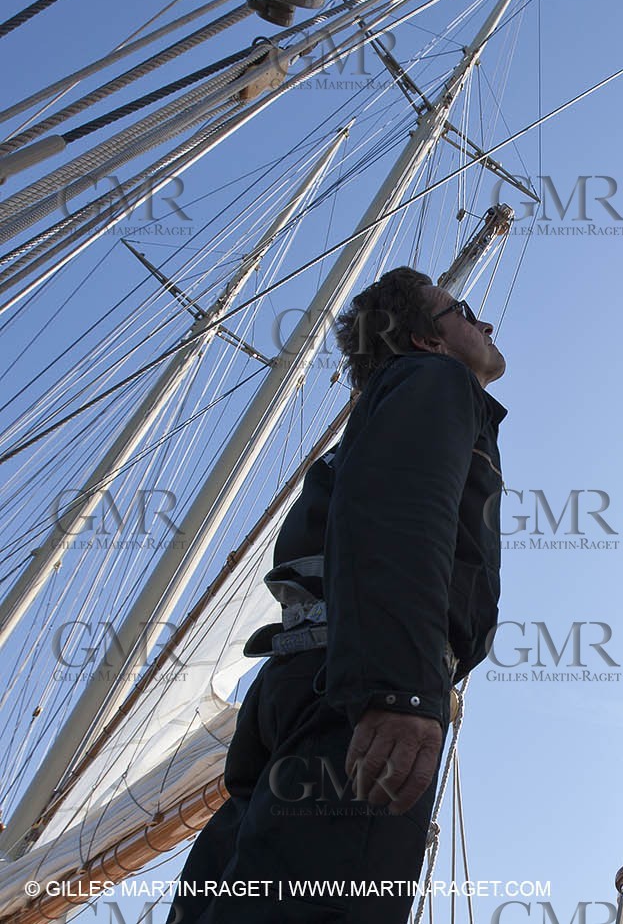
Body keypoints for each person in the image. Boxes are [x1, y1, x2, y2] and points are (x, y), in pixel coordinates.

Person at [168, 266, 508, 923]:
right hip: (354, 699)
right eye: (462, 309)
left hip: (303, 685)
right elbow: (398, 513)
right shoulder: (434, 383)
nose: (484, 322)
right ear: (425, 340)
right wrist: (399, 688)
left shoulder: (373, 419)